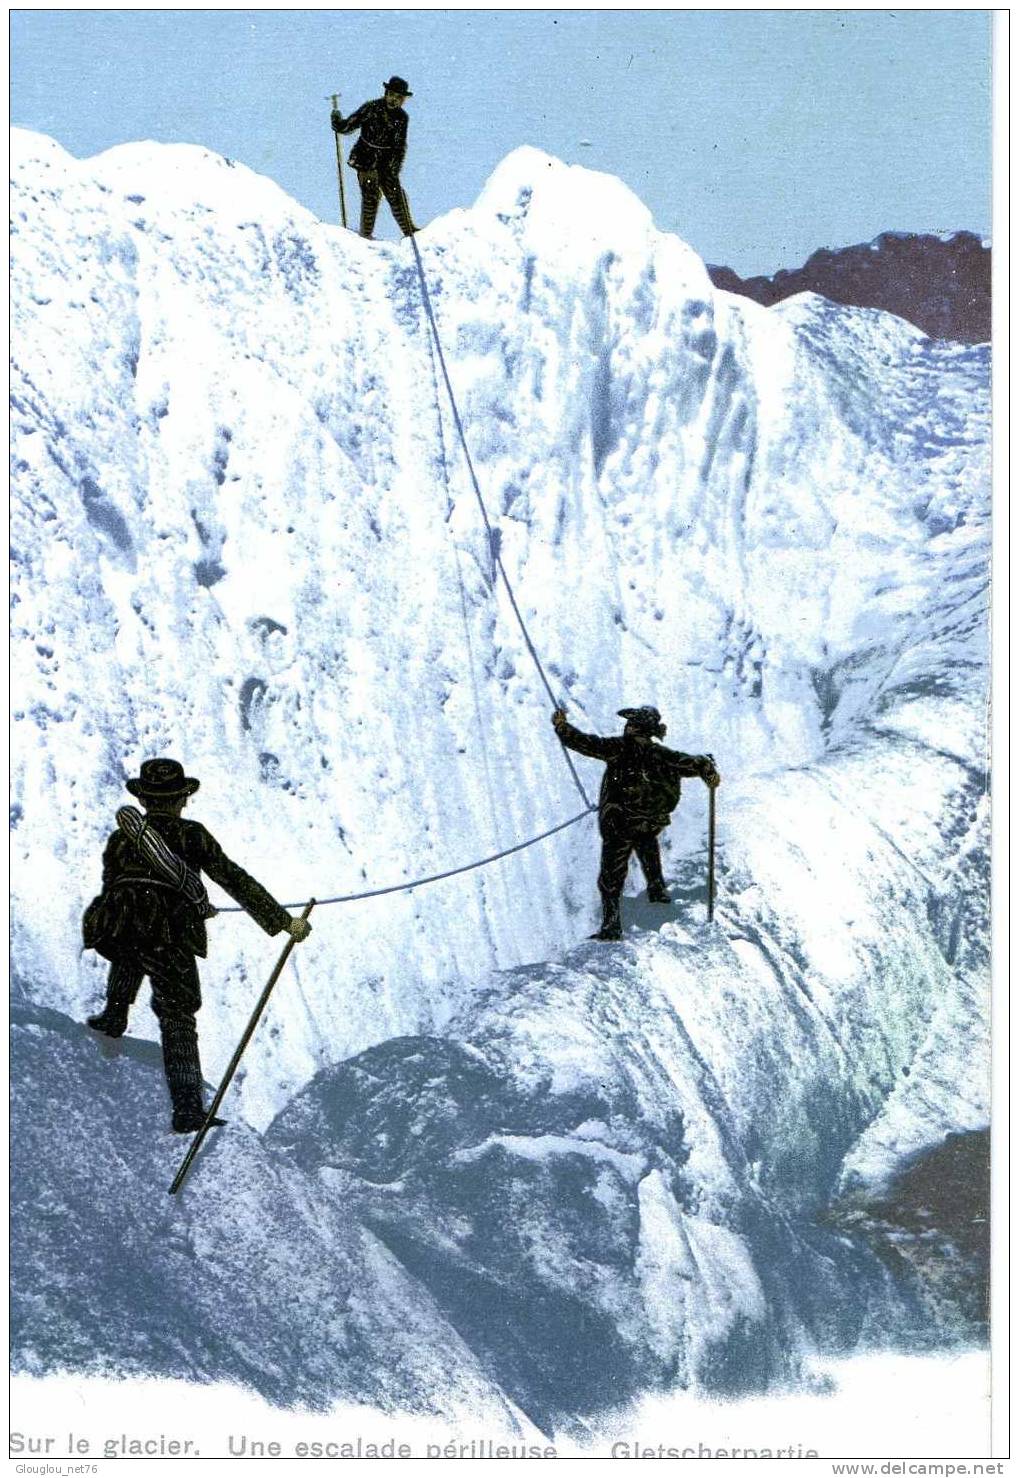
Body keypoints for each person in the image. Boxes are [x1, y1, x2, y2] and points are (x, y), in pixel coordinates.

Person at [82, 758, 311, 1133]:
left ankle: (114, 1014)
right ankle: (187, 1108)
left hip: (120, 918)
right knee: (177, 1014)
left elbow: (112, 882)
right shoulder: (192, 835)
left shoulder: (121, 837)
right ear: (181, 799)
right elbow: (232, 877)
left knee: (129, 952)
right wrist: (283, 921)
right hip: (170, 928)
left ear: (145, 799)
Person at [552, 706, 720, 941]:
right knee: (648, 849)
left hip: (620, 824)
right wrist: (707, 768)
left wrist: (561, 726)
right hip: (650, 822)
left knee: (611, 877)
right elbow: (692, 764)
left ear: (633, 727)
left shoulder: (619, 748)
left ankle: (611, 927)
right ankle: (658, 893)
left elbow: (585, 743)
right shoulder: (662, 754)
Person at [331, 75, 417, 240]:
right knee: (371, 194)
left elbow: (400, 146)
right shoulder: (371, 108)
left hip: (387, 161)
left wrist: (395, 168)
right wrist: (337, 122)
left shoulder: (402, 117)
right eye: (392, 95)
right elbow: (349, 125)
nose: (394, 100)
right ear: (386, 93)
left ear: (403, 100)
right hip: (366, 157)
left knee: (396, 194)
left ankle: (409, 233)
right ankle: (366, 235)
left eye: (399, 97)